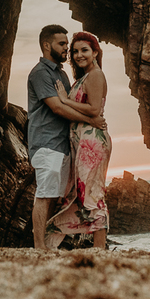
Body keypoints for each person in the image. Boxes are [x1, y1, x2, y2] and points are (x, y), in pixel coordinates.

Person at [27, 25, 105, 249]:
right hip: (46, 143)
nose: (67, 50)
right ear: (46, 45)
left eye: (66, 44)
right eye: (62, 44)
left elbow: (75, 104)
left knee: (55, 196)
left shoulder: (61, 74)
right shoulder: (40, 73)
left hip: (63, 145)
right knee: (44, 194)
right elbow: (57, 108)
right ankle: (39, 246)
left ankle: (47, 245)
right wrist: (92, 120)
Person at [45, 32, 112, 250]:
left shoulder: (95, 75)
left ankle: (99, 248)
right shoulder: (83, 77)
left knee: (92, 191)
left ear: (95, 52)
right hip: (82, 140)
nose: (78, 55)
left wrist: (64, 99)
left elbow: (94, 109)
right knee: (77, 192)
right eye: (75, 51)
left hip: (92, 141)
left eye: (84, 50)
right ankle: (55, 242)